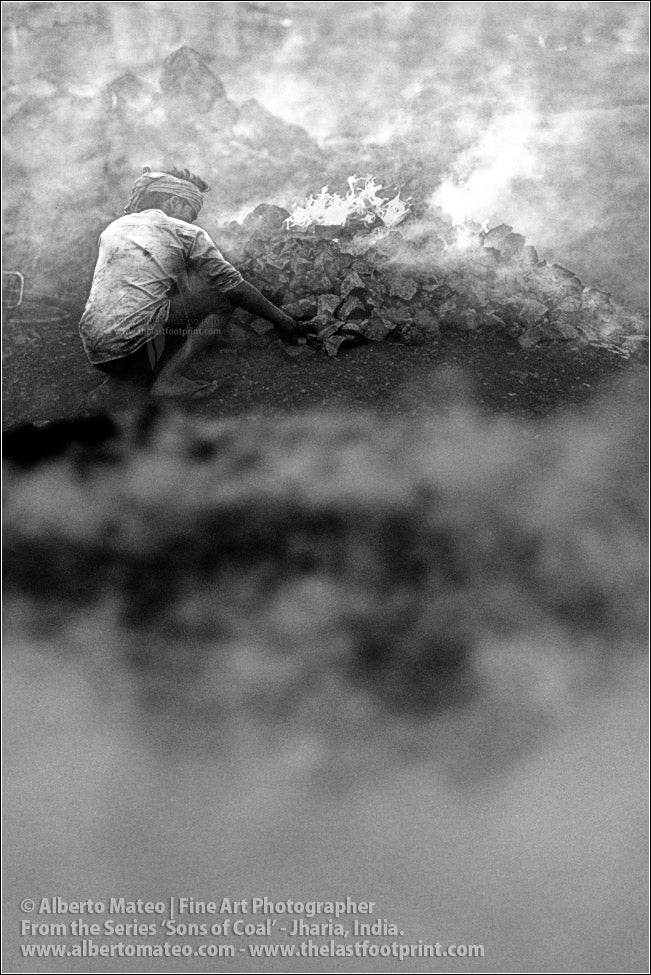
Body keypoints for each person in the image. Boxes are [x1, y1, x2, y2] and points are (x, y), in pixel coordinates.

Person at [80, 166, 300, 400]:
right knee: (223, 298)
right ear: (175, 202)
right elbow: (235, 289)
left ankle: (118, 382)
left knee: (143, 307)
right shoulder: (186, 232)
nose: (193, 219)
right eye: (191, 212)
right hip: (134, 347)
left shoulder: (114, 228)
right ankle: (169, 378)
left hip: (96, 350)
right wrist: (282, 320)